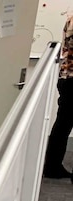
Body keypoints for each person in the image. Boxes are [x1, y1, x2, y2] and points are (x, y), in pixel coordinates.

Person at [43, 13, 73, 179]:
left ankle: (52, 166)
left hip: (67, 78)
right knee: (62, 126)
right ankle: (52, 167)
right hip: (71, 80)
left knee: (62, 125)